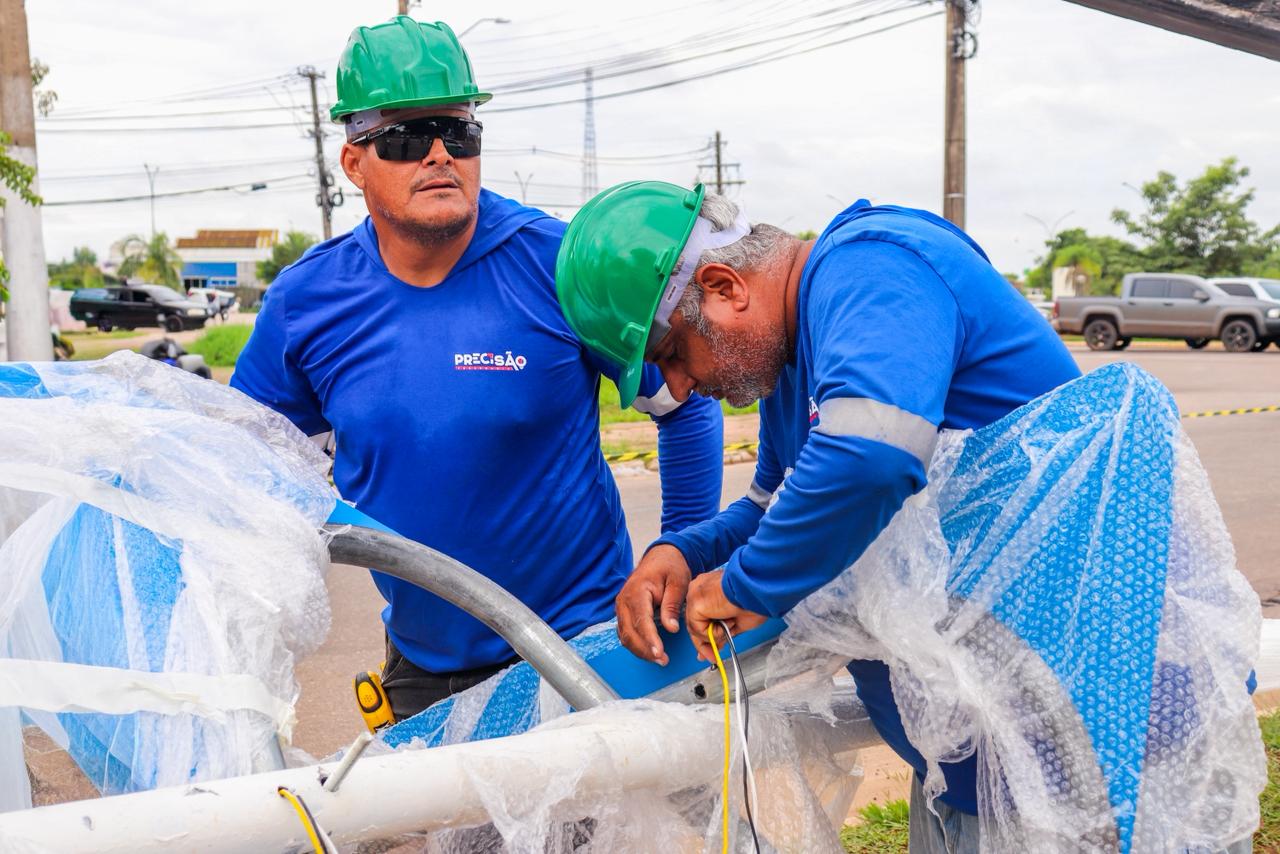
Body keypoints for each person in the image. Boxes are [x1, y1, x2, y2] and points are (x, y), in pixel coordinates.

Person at [555, 180, 1088, 852]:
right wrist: (686, 554)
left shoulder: (873, 264)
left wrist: (745, 587)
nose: (683, 388)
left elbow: (870, 459)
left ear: (723, 287)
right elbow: (772, 510)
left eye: (672, 356)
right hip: (971, 761)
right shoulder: (791, 364)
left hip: (1074, 750)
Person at [231, 20, 723, 721]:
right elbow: (243, 463)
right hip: (424, 669)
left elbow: (685, 403)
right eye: (406, 138)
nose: (439, 154)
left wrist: (682, 549)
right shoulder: (306, 302)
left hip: (578, 653)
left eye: (458, 133)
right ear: (353, 162)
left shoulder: (557, 264)